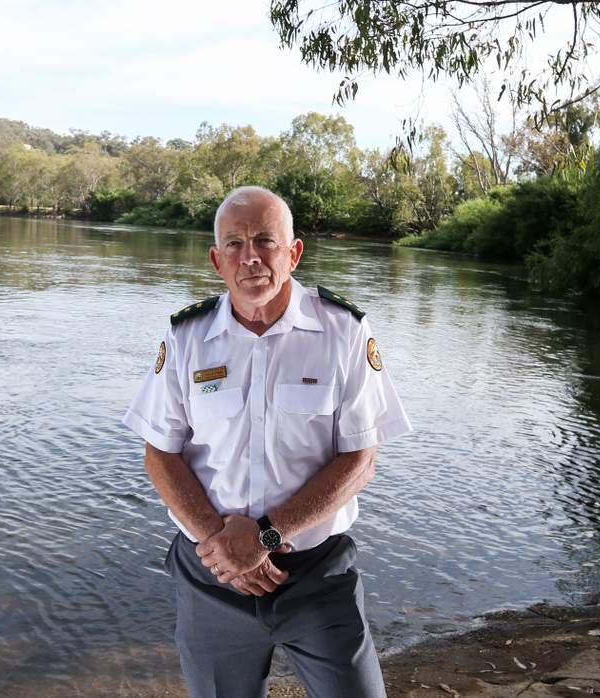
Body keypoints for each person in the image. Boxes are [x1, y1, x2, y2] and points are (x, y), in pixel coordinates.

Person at [122, 186, 412, 697]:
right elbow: (160, 453)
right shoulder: (186, 337)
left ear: (294, 252)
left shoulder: (343, 331)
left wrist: (266, 537)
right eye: (233, 244)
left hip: (315, 577)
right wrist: (221, 545)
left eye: (265, 240)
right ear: (216, 260)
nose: (250, 256)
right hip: (212, 579)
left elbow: (361, 459)